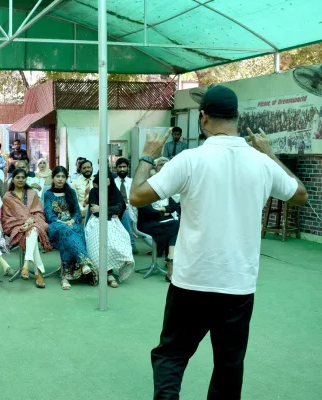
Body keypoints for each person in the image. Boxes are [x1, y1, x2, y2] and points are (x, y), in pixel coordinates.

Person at [129, 85, 308, 399]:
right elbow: (300, 194)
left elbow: (137, 195)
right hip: (237, 286)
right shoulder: (262, 163)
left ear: (203, 118)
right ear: (238, 119)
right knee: (228, 366)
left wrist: (147, 157)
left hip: (192, 282)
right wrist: (270, 154)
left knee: (171, 355)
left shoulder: (190, 160)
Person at [44, 166, 97, 290]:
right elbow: (49, 214)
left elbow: (77, 213)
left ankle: (65, 277)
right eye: (58, 176)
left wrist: (72, 220)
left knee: (74, 231)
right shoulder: (48, 194)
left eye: (63, 177)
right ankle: (84, 262)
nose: (60, 179)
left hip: (72, 223)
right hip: (56, 225)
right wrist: (63, 222)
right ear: (53, 178)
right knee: (65, 231)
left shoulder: (71, 192)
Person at [2, 168, 52, 289]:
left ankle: (26, 263)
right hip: (15, 225)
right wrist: (25, 222)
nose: (20, 180)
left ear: (26, 179)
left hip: (34, 222)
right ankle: (37, 272)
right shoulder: (7, 197)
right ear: (13, 180)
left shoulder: (32, 194)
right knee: (33, 230)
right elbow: (7, 218)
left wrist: (31, 220)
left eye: (23, 177)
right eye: (17, 177)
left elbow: (39, 212)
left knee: (33, 229)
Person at [85, 170, 135, 288]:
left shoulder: (115, 192)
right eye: (103, 178)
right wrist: (109, 210)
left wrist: (102, 208)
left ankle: (120, 262)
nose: (106, 180)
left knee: (118, 238)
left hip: (113, 221)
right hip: (96, 222)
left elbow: (119, 208)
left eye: (107, 178)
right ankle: (107, 273)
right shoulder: (94, 192)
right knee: (102, 240)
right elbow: (94, 210)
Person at [138, 195, 180, 281]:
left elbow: (174, 206)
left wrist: (160, 209)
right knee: (175, 225)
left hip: (163, 222)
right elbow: (149, 212)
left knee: (175, 225)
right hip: (147, 223)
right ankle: (171, 257)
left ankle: (170, 259)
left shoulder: (165, 194)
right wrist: (164, 210)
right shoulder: (144, 195)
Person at [114, 157, 138, 254]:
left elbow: (137, 197)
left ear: (128, 168)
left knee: (126, 213)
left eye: (124, 167)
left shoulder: (133, 182)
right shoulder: (112, 182)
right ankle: (131, 244)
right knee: (125, 213)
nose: (122, 169)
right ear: (116, 168)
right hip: (116, 208)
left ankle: (129, 243)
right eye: (120, 167)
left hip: (131, 207)